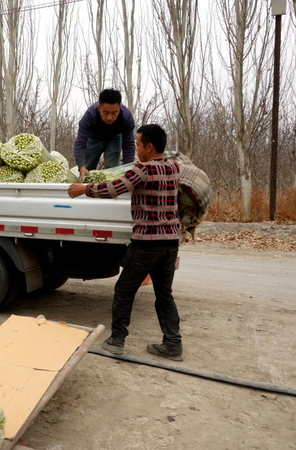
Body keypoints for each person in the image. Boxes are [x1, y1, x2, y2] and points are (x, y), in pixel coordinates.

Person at [67, 124, 183, 361]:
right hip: (170, 242)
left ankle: (116, 341)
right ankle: (173, 344)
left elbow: (114, 188)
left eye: (139, 145)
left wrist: (84, 189)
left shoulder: (143, 170)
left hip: (147, 244)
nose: (137, 150)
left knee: (124, 290)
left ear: (150, 147)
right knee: (164, 294)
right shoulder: (174, 167)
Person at [73, 88, 136, 181]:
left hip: (114, 138)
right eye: (105, 113)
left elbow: (129, 145)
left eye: (114, 113)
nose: (110, 117)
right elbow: (80, 143)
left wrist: (127, 170)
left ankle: (108, 191)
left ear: (120, 108)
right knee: (87, 169)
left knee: (112, 170)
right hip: (94, 138)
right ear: (99, 108)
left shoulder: (126, 117)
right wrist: (81, 166)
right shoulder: (89, 116)